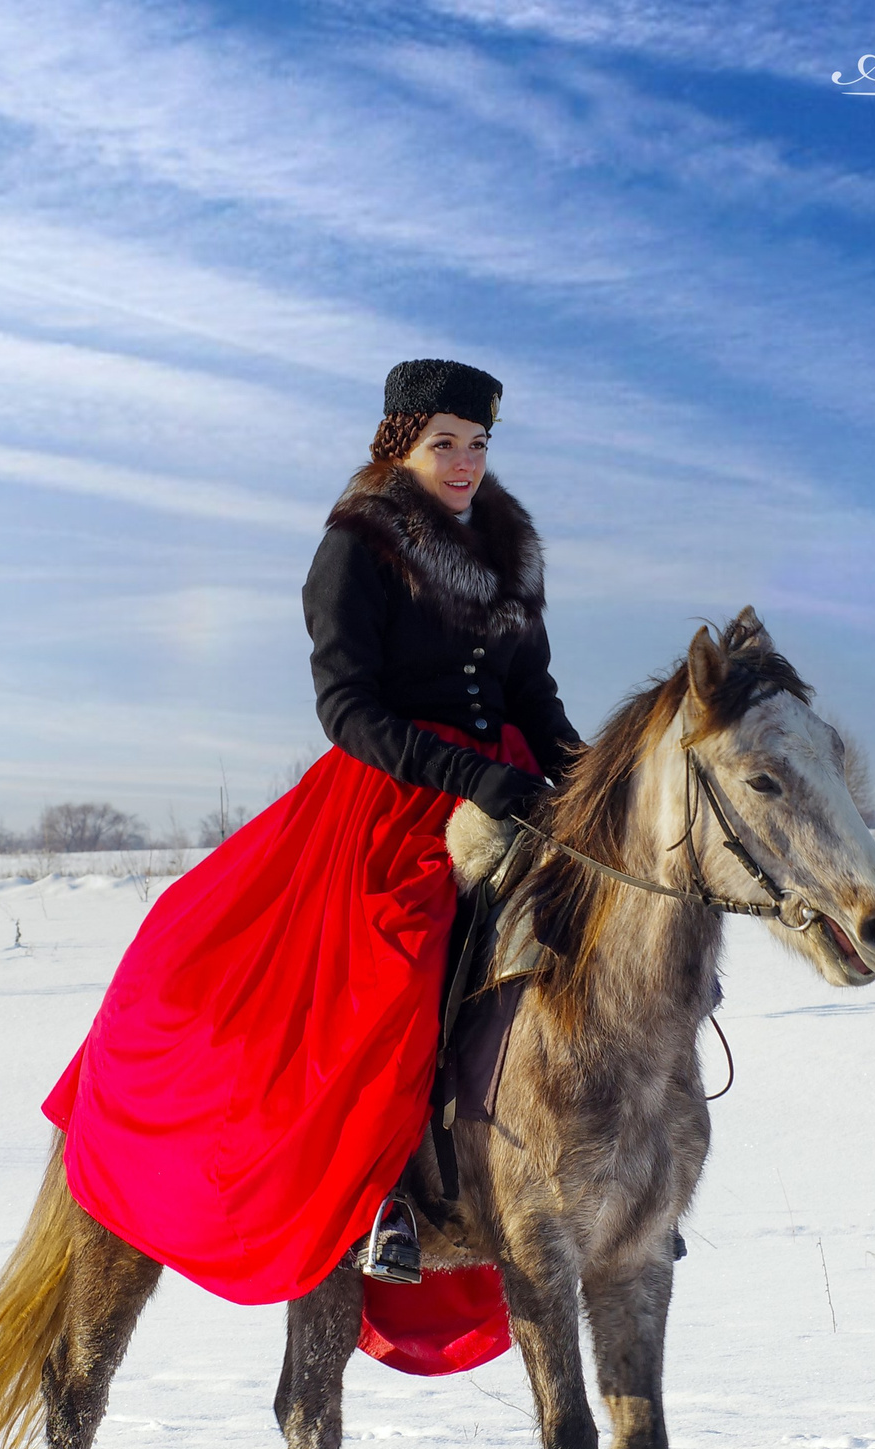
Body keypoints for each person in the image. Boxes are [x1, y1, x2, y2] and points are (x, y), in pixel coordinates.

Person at [43, 358, 577, 1359]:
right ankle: (388, 1199)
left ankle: (610, 1180)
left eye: (477, 445)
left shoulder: (511, 552)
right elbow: (347, 709)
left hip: (507, 783)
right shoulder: (357, 546)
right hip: (392, 800)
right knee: (398, 964)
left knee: (610, 933)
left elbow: (535, 696)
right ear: (398, 443)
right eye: (443, 443)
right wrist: (462, 774)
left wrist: (583, 781)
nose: (463, 463)